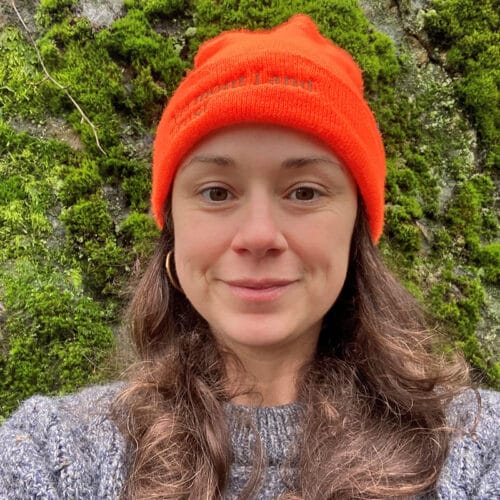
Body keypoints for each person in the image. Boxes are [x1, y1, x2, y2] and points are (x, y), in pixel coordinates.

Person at [0, 14, 498, 499]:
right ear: (173, 230)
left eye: (304, 192)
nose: (259, 236)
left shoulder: (474, 446)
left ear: (356, 230)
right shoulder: (57, 452)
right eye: (217, 192)